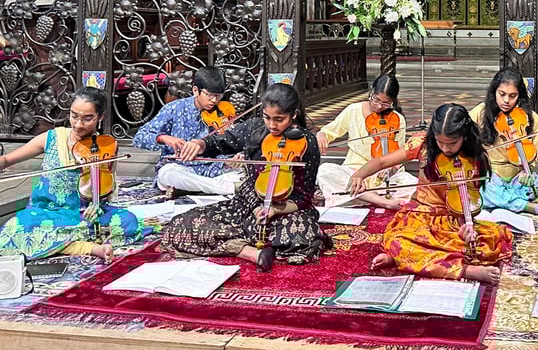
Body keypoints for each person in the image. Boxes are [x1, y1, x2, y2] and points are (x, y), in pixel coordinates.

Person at [162, 83, 331, 272]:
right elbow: (222, 141)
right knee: (180, 224)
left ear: (293, 114)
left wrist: (274, 209)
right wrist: (200, 144)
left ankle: (232, 240)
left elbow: (304, 197)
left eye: (279, 119)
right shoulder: (255, 128)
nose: (272, 125)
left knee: (303, 235)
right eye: (267, 117)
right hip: (245, 205)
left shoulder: (307, 142)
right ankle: (249, 252)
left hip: (285, 210)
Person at [348, 103, 513, 285]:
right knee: (398, 239)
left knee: (481, 246)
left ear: (464, 137)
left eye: (452, 143)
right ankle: (464, 269)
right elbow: (381, 161)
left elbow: (465, 201)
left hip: (451, 217)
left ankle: (402, 259)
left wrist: (466, 225)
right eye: (440, 142)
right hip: (419, 214)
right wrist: (359, 175)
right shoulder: (422, 145)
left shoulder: (473, 158)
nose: (445, 148)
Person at [0, 87, 153, 261]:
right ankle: (88, 247)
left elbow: (106, 185)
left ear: (100, 117)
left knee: (127, 221)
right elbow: (7, 159)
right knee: (19, 226)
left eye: (88, 119)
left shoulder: (107, 146)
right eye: (74, 116)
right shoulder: (52, 137)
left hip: (82, 212)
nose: (79, 124)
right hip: (47, 211)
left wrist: (96, 203)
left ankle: (61, 243)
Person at [470, 67, 538, 219]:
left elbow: (532, 159)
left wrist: (526, 172)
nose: (506, 101)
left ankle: (508, 202)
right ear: (494, 93)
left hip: (518, 180)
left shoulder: (532, 118)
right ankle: (528, 206)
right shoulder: (481, 112)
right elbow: (462, 131)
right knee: (484, 192)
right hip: (492, 177)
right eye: (502, 94)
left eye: (512, 96)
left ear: (520, 96)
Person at [133, 66, 243, 196]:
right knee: (167, 174)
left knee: (246, 175)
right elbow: (139, 137)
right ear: (196, 90)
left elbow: (232, 141)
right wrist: (164, 138)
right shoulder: (174, 108)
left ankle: (195, 188)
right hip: (181, 167)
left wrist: (233, 158)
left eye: (218, 96)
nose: (214, 100)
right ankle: (225, 188)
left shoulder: (224, 111)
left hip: (214, 169)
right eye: (209, 95)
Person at [316, 74, 417, 210]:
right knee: (325, 171)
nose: (380, 106)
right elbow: (329, 131)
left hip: (382, 178)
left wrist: (390, 170)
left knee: (413, 184)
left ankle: (358, 197)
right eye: (376, 100)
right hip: (353, 173)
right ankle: (381, 201)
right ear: (371, 91)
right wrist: (322, 135)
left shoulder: (398, 119)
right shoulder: (353, 110)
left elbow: (398, 157)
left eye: (386, 103)